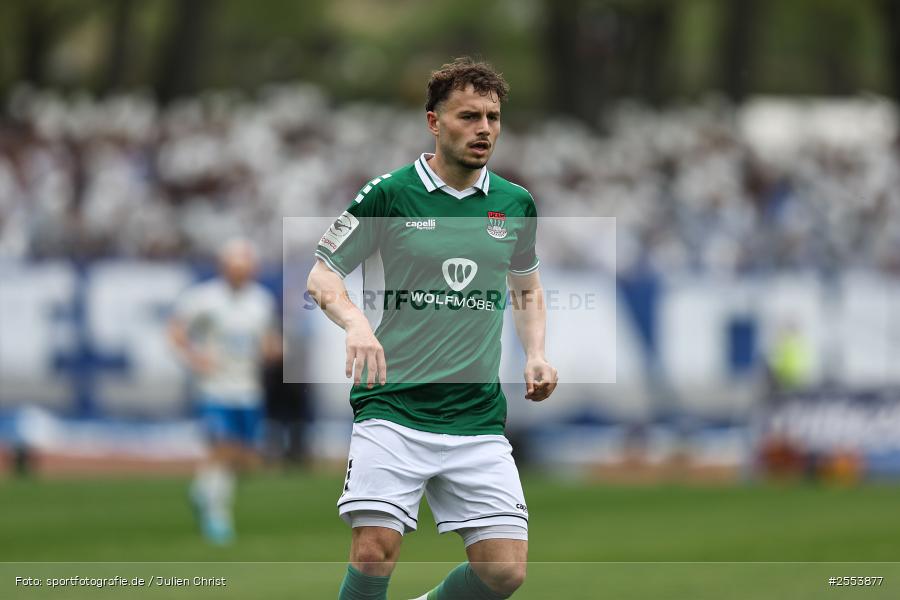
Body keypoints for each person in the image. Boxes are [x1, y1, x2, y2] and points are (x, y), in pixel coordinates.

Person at [307, 57, 558, 600]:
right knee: (374, 550)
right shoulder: (389, 194)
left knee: (505, 572)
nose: (485, 129)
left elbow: (527, 287)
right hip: (394, 406)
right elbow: (322, 275)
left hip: (476, 415)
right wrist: (355, 324)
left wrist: (536, 352)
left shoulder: (515, 204)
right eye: (469, 116)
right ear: (434, 122)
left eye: (493, 117)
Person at [169, 238, 281, 544]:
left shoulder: (261, 300)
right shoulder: (204, 299)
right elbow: (177, 330)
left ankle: (202, 491)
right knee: (223, 448)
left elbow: (268, 339)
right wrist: (194, 358)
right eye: (235, 268)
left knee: (244, 459)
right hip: (216, 388)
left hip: (248, 389)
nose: (239, 274)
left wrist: (273, 351)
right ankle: (217, 515)